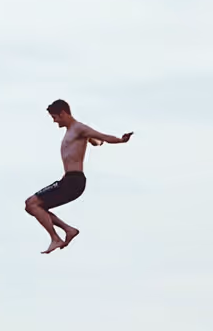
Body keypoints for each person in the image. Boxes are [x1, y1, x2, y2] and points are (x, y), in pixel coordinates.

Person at [25, 99, 133, 254]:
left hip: (73, 181)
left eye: (55, 117)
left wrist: (120, 140)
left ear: (63, 113)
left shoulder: (79, 128)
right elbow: (97, 140)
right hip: (69, 181)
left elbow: (102, 136)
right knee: (33, 207)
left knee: (31, 203)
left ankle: (56, 238)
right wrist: (96, 142)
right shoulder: (74, 132)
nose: (54, 121)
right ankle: (68, 230)